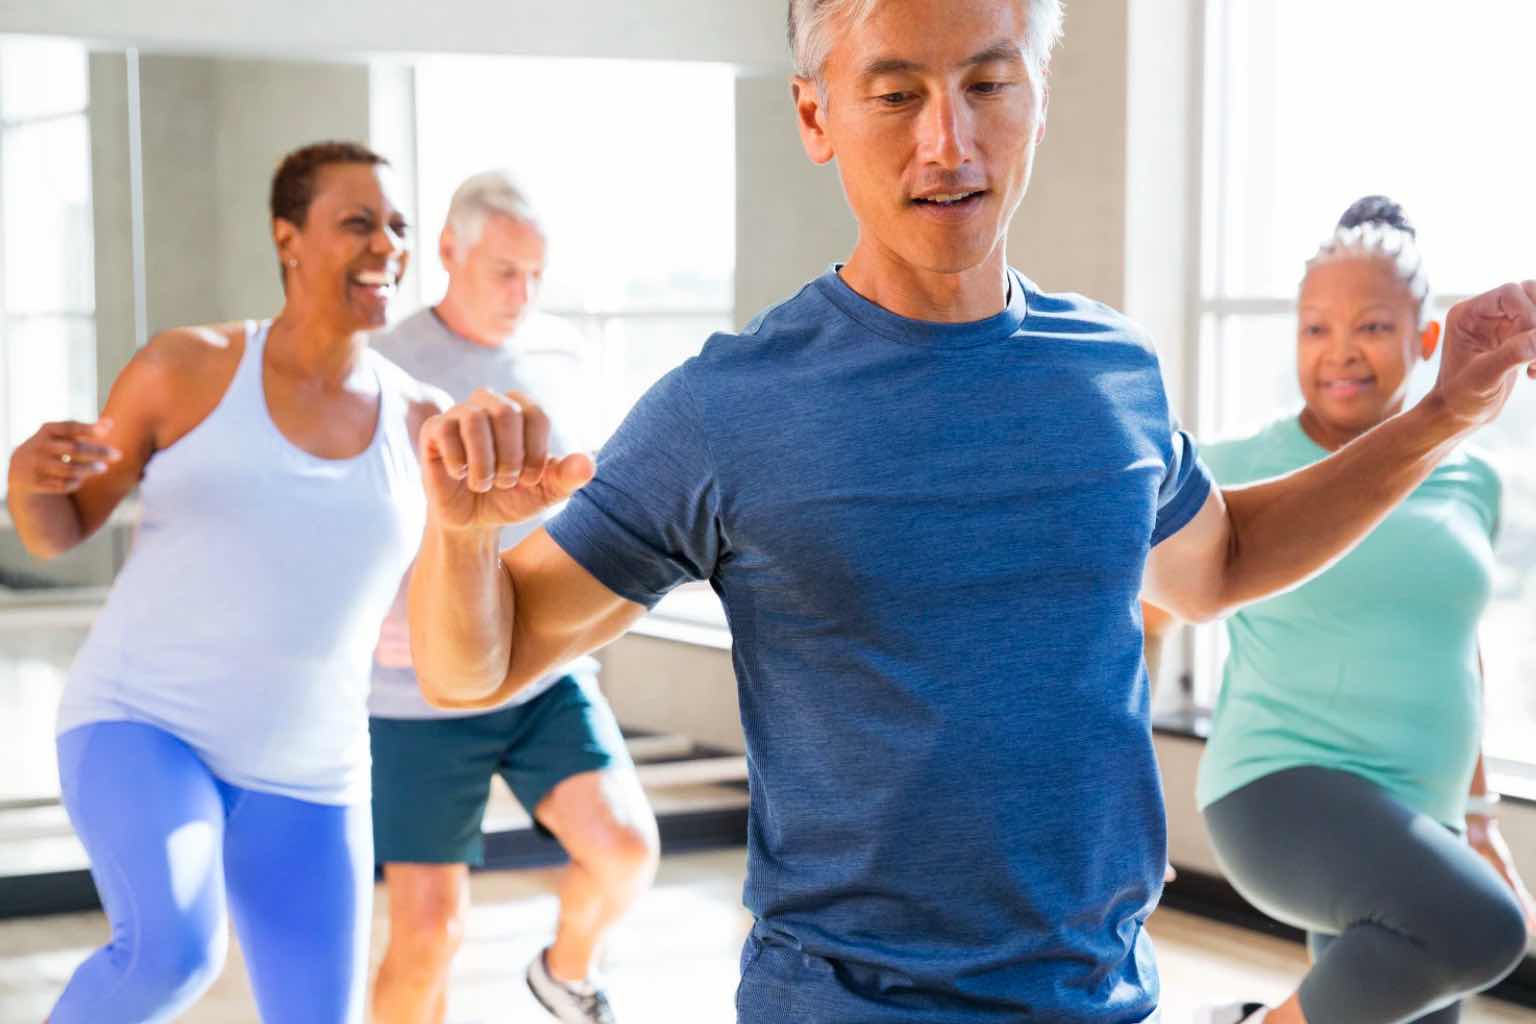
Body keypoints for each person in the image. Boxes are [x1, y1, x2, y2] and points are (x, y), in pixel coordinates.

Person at [406, 1, 1536, 1018]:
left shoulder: (1109, 369)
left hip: (1100, 991)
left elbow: (1218, 560)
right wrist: (460, 536)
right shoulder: (728, 408)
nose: (948, 141)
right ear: (816, 114)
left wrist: (1440, 418)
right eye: (895, 94)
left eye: (989, 84)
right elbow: (474, 666)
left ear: (1038, 97)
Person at [5, 140, 442, 1023]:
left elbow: (438, 594)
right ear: (287, 238)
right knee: (171, 953)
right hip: (144, 723)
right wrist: (23, 477)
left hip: (313, 768)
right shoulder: (188, 367)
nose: (387, 245)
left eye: (396, 226)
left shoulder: (422, 417)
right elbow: (62, 530)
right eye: (357, 223)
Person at [1156, 197, 1532, 1024]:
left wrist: (1476, 821)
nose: (1339, 354)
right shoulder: (1233, 466)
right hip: (1281, 785)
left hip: (1421, 807)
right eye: (1315, 329)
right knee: (1481, 926)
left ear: (1426, 339)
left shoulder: (1470, 475)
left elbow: (1455, 651)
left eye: (1369, 327)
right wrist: (1127, 802)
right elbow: (1145, 623)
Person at [368, 171, 658, 1024]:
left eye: (535, 274)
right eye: (504, 271)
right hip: (413, 691)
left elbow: (580, 508)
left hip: (539, 670)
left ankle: (565, 975)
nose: (522, 294)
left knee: (626, 852)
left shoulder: (555, 362)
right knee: (431, 930)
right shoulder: (384, 367)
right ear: (449, 251)